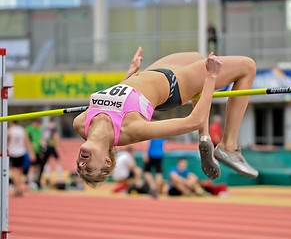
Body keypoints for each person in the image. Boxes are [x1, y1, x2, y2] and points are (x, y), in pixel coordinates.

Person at [73, 47, 258, 188]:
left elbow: (115, 100)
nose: (82, 164)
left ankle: (205, 137)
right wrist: (210, 76)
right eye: (89, 169)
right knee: (247, 66)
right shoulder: (129, 130)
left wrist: (130, 72)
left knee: (195, 56)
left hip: (150, 73)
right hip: (174, 86)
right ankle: (228, 146)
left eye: (80, 167)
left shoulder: (81, 124)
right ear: (107, 160)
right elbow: (194, 121)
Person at [8, 121, 34, 196]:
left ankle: (17, 189)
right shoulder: (22, 130)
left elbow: (6, 141)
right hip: (21, 152)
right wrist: (31, 153)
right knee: (19, 172)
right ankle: (19, 188)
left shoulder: (10, 130)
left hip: (13, 153)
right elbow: (27, 142)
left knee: (14, 172)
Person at [41, 118, 64, 188]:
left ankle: (48, 176)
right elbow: (56, 137)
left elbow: (43, 139)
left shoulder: (46, 128)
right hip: (51, 146)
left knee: (47, 162)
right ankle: (59, 178)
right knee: (58, 161)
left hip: (47, 147)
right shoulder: (53, 129)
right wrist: (58, 144)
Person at [25, 119, 44, 189]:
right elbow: (27, 141)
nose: (38, 126)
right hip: (31, 151)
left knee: (37, 167)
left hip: (37, 151)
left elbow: (39, 140)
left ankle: (35, 182)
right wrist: (31, 152)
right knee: (32, 167)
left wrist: (41, 151)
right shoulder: (29, 130)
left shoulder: (39, 130)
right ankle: (29, 183)